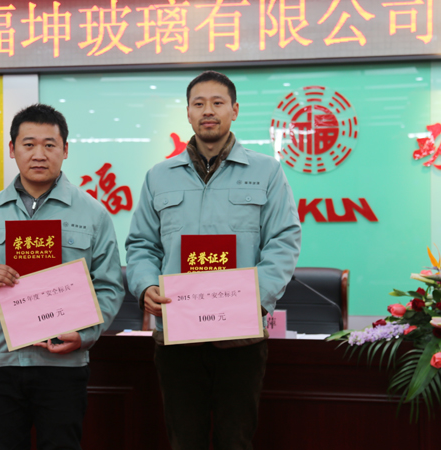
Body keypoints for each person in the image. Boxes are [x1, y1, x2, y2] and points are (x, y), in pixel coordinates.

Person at [125, 71, 301, 450]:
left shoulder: (267, 172)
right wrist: (145, 286)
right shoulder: (159, 176)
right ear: (188, 113)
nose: (208, 111)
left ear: (234, 110)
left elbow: (283, 241)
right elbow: (141, 244)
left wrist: (256, 298)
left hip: (241, 338)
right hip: (177, 336)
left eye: (218, 103)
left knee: (235, 440)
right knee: (183, 440)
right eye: (199, 103)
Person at [0, 103, 124, 450]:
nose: (39, 154)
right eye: (28, 144)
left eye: (49, 144)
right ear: (12, 149)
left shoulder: (93, 214)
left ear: (65, 150)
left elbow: (109, 286)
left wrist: (85, 334)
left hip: (62, 362)